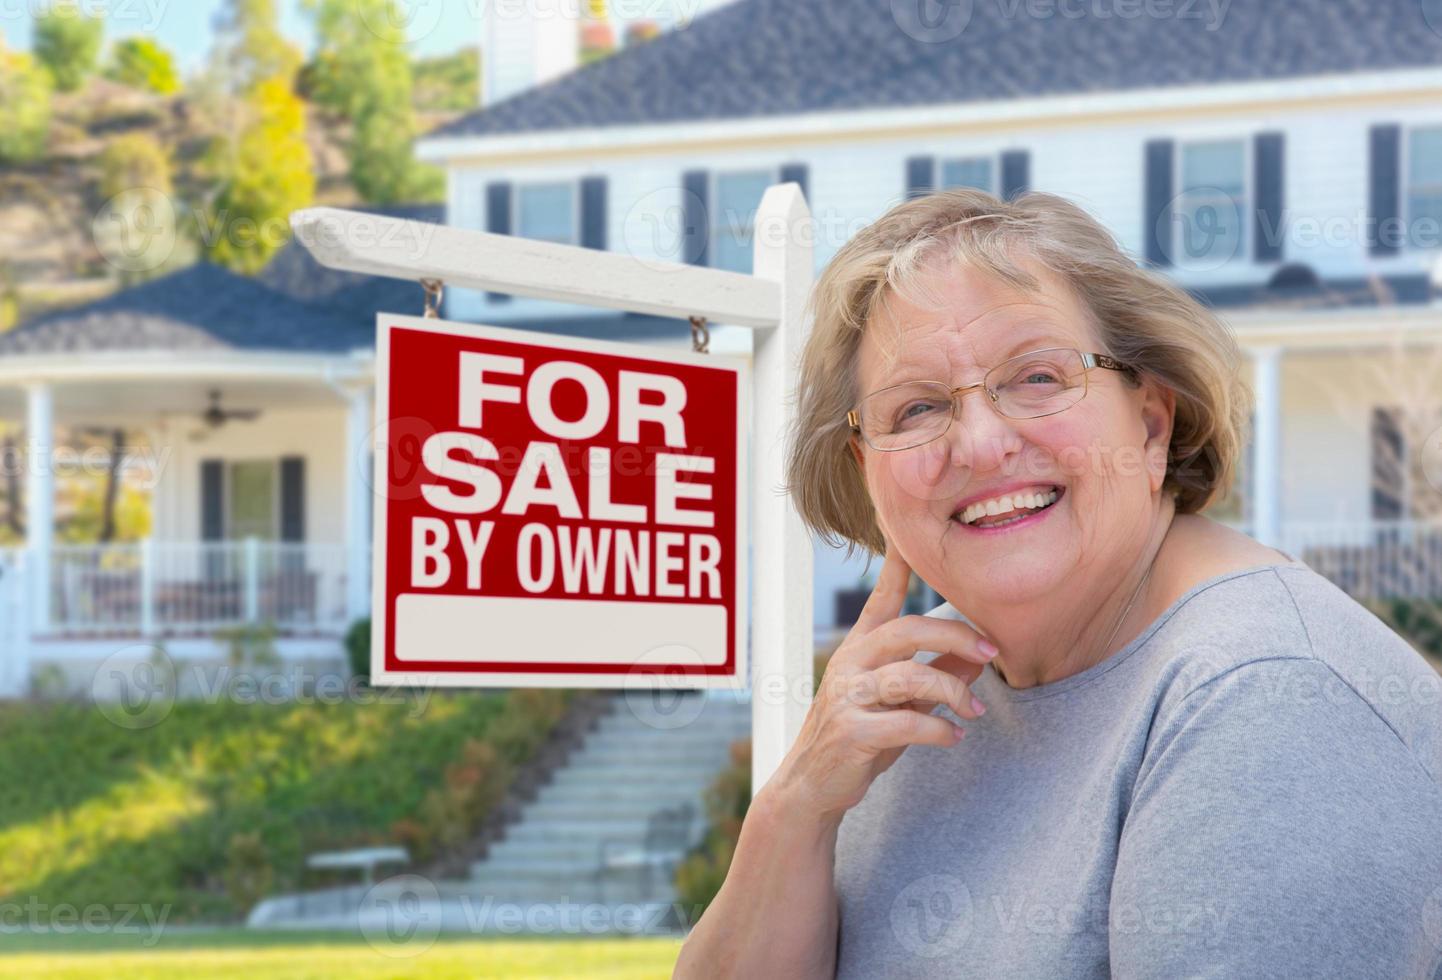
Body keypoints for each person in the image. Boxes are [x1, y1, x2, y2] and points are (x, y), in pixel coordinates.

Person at [673, 188, 1442, 978]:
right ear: (865, 471)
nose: (978, 444)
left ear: (1149, 424)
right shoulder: (910, 703)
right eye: (915, 410)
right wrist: (797, 804)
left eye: (1037, 377)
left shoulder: (1264, 697)